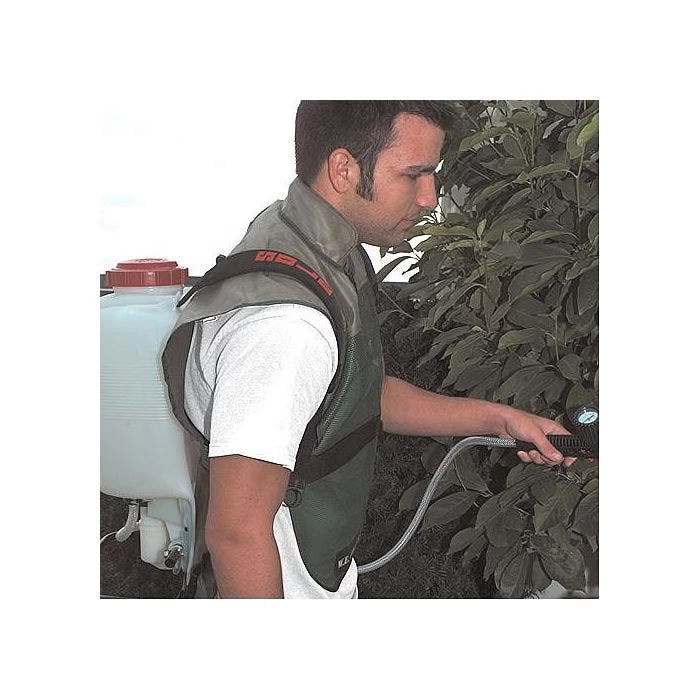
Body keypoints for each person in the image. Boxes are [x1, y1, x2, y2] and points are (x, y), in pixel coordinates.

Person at [162, 101, 575, 599]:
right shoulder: (287, 328)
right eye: (414, 174)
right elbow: (237, 533)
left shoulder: (308, 237)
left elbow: (353, 392)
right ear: (344, 169)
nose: (430, 198)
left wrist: (501, 420)